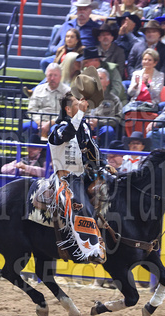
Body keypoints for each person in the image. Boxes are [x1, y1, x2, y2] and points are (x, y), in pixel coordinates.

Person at [48, 68, 106, 264]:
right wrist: (80, 114)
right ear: (68, 109)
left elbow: (93, 150)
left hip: (82, 176)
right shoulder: (59, 129)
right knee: (79, 204)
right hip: (65, 179)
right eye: (76, 104)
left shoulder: (84, 128)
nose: (82, 105)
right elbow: (67, 134)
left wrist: (103, 166)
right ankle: (90, 249)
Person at [25, 63, 71, 139]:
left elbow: (67, 113)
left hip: (57, 123)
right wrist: (40, 122)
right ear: (46, 76)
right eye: (50, 75)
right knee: (25, 127)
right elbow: (31, 109)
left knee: (56, 131)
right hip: (39, 122)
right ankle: (31, 150)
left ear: (60, 77)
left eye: (55, 75)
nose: (52, 78)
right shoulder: (38, 89)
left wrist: (50, 123)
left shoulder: (68, 91)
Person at [88, 68, 123, 147]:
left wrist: (99, 122)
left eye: (100, 78)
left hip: (102, 127)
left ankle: (105, 156)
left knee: (108, 130)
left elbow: (117, 119)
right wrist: (87, 121)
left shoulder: (114, 100)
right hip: (87, 125)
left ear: (107, 82)